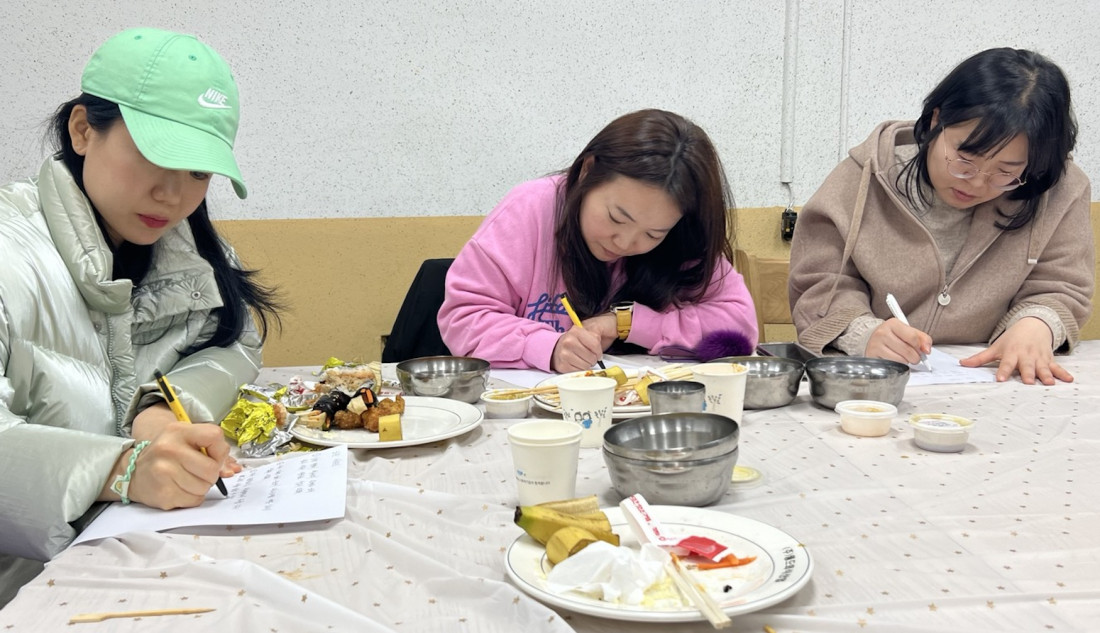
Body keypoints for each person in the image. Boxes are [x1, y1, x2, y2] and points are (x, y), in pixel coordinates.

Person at [0, 28, 280, 602]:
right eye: (157, 155)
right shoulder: (12, 254)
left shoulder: (189, 252)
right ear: (83, 130)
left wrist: (159, 408)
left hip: (141, 568)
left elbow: (236, 341)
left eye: (199, 172)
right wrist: (119, 469)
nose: (173, 195)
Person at [788, 48, 1093, 385]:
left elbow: (1061, 285)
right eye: (965, 159)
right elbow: (820, 281)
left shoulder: (1060, 190)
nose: (976, 183)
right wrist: (862, 332)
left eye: (1006, 172)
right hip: (878, 380)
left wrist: (1038, 324)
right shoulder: (864, 177)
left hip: (994, 381)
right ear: (936, 121)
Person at [438, 109, 758, 373]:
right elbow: (463, 318)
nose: (625, 243)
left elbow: (739, 329)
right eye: (617, 218)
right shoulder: (529, 210)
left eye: (653, 234)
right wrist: (547, 347)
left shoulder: (681, 238)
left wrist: (627, 322)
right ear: (587, 172)